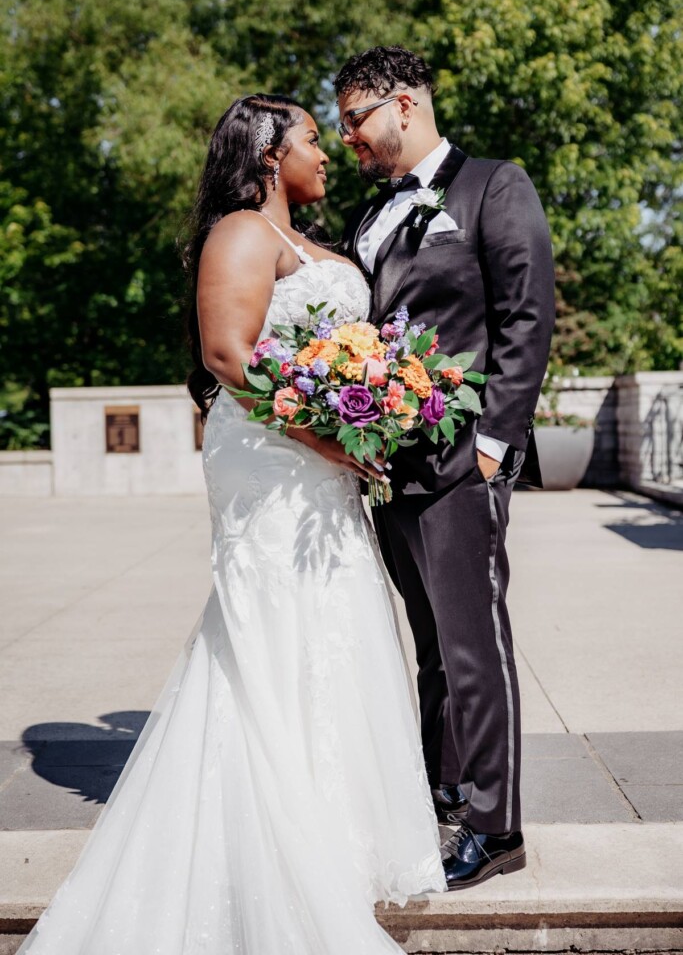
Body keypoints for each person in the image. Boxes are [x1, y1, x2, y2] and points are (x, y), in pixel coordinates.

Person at [15, 94, 445, 955]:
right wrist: (325, 431)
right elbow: (227, 355)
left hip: (320, 474)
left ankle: (327, 838)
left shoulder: (306, 243)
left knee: (332, 635)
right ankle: (280, 853)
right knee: (268, 638)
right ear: (265, 155)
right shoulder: (242, 234)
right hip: (276, 471)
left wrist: (368, 407)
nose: (325, 154)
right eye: (312, 141)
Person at [336, 46, 555, 890]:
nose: (349, 137)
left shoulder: (495, 186)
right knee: (430, 650)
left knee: (473, 645)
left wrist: (495, 447)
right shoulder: (370, 217)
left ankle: (496, 828)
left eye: (355, 119)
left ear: (401, 105)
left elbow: (525, 315)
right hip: (389, 469)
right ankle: (443, 795)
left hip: (464, 461)